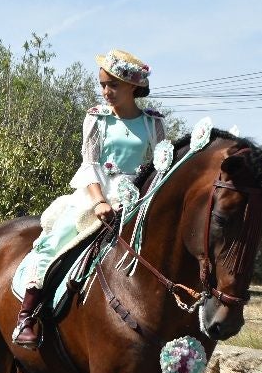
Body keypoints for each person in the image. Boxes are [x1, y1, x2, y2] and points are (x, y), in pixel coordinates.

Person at [13, 49, 165, 348]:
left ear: (133, 87)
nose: (106, 91)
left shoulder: (153, 123)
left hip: (137, 197)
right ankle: (27, 315)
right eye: (103, 84)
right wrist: (99, 202)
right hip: (96, 194)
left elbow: (161, 167)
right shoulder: (97, 118)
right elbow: (90, 163)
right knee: (57, 240)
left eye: (113, 85)